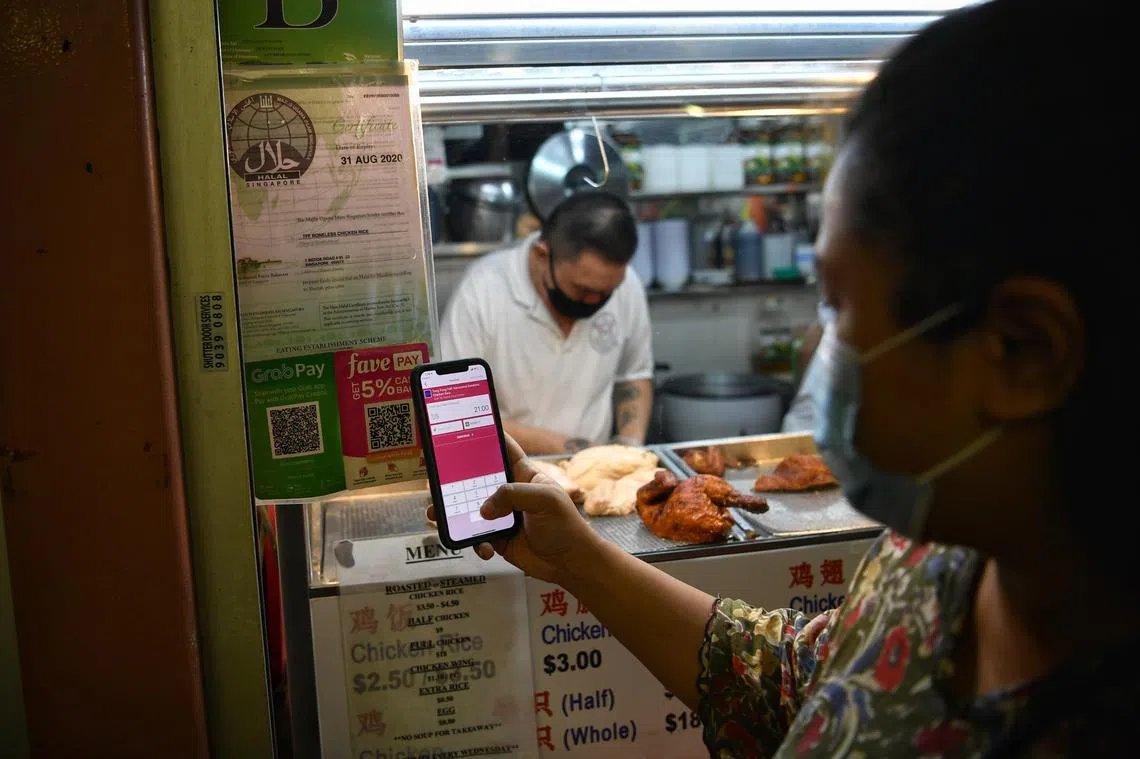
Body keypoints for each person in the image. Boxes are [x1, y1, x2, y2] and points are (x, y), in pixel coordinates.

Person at [431, 1, 1136, 754]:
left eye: (840, 304)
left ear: (1023, 351)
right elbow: (796, 681)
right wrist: (581, 560)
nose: (821, 347)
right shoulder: (935, 561)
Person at [440, 191, 653, 455]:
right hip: (508, 470)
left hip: (593, 470)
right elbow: (454, 410)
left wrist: (631, 448)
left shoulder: (626, 284)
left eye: (607, 293)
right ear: (543, 256)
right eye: (583, 290)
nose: (595, 301)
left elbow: (633, 377)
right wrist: (570, 450)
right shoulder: (482, 290)